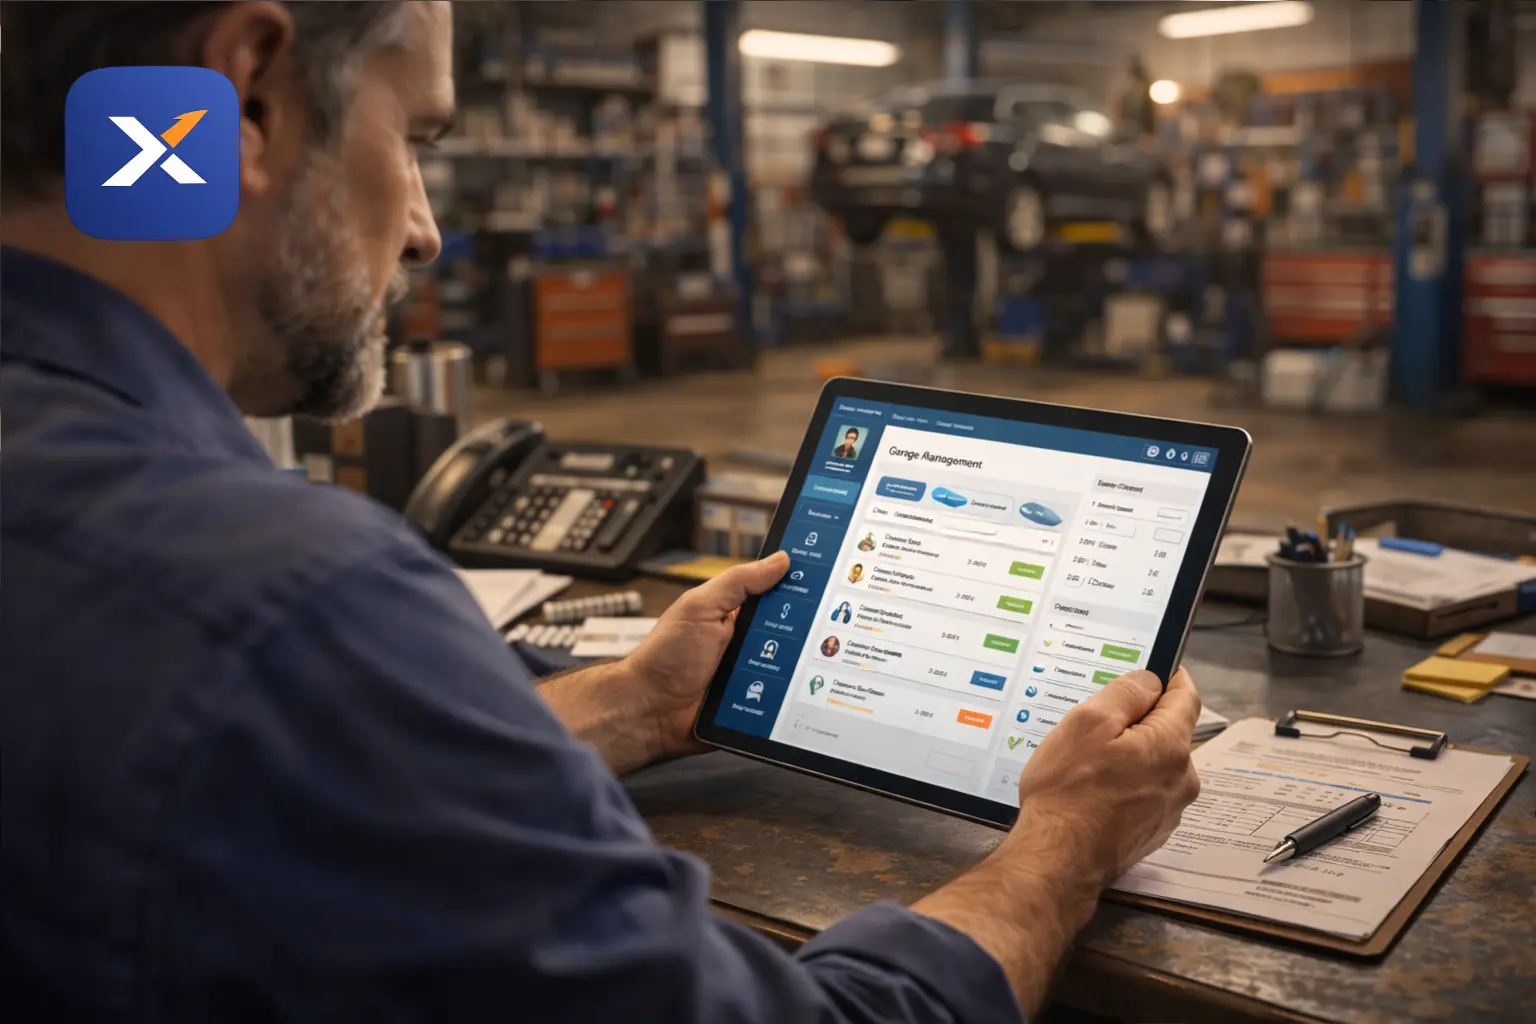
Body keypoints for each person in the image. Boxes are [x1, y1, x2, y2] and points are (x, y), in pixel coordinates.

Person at [0, 4, 1204, 1022]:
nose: (421, 227)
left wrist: (634, 698)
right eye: (413, 137)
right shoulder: (290, 602)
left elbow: (308, 795)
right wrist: (1065, 846)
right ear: (245, 102)